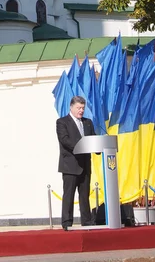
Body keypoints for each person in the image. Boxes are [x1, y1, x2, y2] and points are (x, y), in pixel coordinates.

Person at [56, 95, 95, 230]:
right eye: (78, 108)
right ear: (71, 107)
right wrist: (82, 146)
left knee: (84, 195)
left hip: (85, 164)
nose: (81, 111)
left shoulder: (88, 122)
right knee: (69, 195)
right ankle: (67, 223)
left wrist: (100, 147)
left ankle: (87, 222)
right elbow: (65, 140)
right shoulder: (62, 122)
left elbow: (93, 139)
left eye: (83, 108)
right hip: (70, 165)